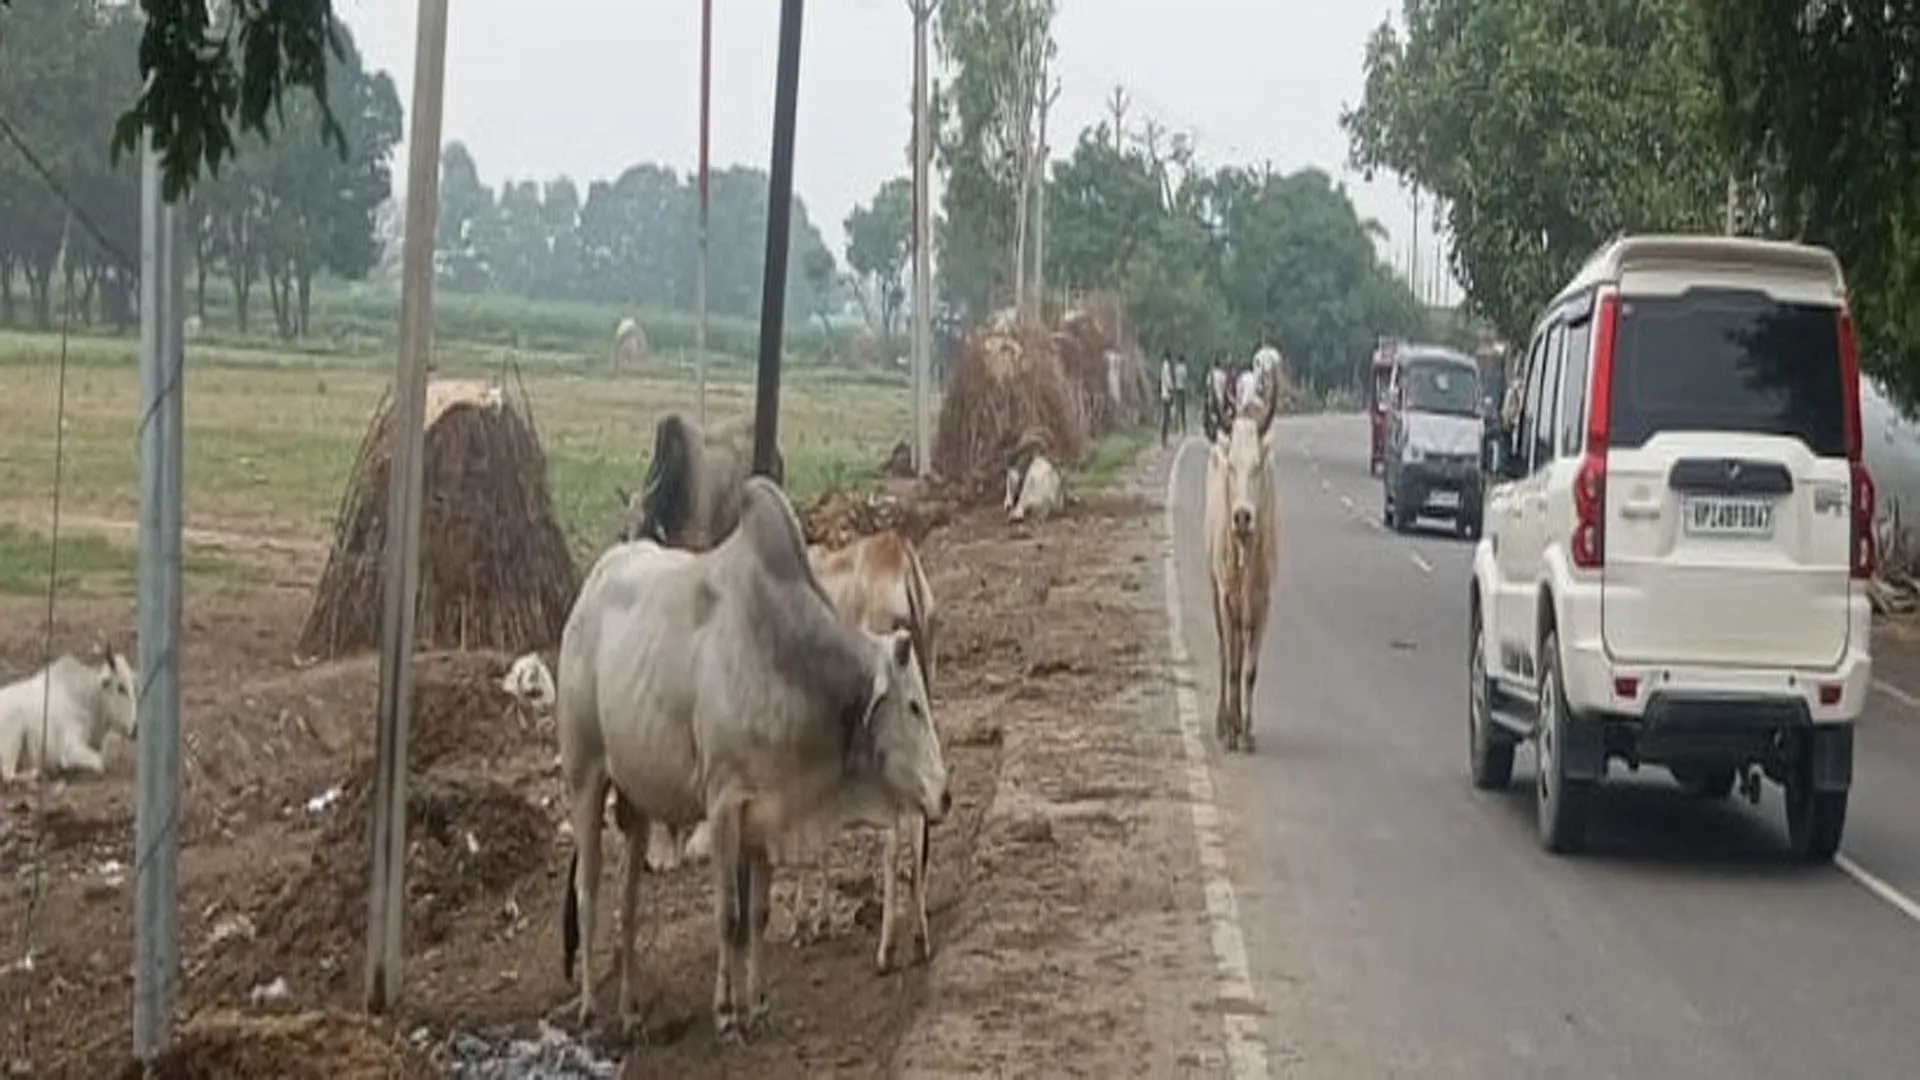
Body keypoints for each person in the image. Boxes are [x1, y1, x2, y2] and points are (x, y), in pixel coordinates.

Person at [1158, 351, 1175, 447]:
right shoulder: (1166, 366)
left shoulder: (1163, 366)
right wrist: (1171, 389)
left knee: (1166, 417)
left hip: (1164, 394)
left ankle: (1164, 439)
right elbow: (1168, 381)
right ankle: (1164, 440)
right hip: (1166, 395)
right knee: (1166, 418)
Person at [1172, 352, 1190, 435]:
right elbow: (1185, 379)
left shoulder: (1176, 368)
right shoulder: (1184, 368)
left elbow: (1174, 378)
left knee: (1177, 409)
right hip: (1182, 389)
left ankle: (1175, 427)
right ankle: (1184, 428)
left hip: (1176, 389)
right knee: (1183, 410)